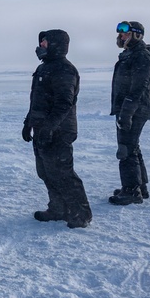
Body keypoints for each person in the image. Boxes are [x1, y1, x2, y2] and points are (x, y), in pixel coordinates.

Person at [21, 29, 92, 228]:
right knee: (45, 171)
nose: (40, 45)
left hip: (59, 130)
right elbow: (37, 101)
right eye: (41, 41)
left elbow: (64, 103)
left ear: (55, 45)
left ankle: (80, 213)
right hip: (42, 128)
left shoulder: (64, 69)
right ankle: (58, 208)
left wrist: (49, 128)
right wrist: (28, 123)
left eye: (45, 42)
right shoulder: (44, 68)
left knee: (63, 172)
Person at [108, 20, 150, 205]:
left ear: (136, 34)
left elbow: (138, 88)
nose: (121, 36)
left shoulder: (141, 56)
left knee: (125, 148)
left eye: (126, 33)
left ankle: (131, 191)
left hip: (133, 109)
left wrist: (126, 112)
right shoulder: (130, 54)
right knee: (132, 146)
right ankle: (139, 186)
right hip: (128, 108)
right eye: (120, 33)